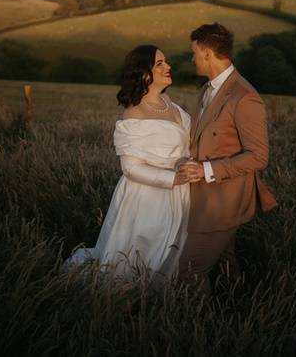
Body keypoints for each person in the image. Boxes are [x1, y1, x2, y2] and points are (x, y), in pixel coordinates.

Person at [64, 45, 200, 285]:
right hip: (147, 198)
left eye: (166, 62)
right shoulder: (133, 115)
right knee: (141, 252)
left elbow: (187, 144)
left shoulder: (170, 104)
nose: (168, 67)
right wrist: (172, 178)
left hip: (181, 194)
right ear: (144, 73)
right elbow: (131, 169)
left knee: (173, 251)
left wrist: (189, 164)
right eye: (159, 64)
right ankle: (125, 297)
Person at [176, 22, 278, 296]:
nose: (192, 58)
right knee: (224, 265)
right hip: (205, 199)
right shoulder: (206, 90)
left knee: (188, 270)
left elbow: (259, 156)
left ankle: (194, 333)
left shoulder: (245, 97)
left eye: (194, 52)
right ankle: (241, 314)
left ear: (208, 53)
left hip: (224, 202)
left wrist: (206, 169)